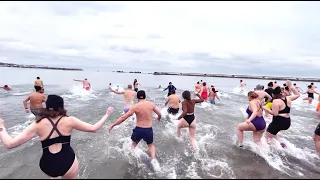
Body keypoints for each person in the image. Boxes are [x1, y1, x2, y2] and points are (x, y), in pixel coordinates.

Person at [0, 95, 114, 178]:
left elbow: (10, 144)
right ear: (61, 107)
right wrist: (106, 114)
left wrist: (1, 128)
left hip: (47, 165)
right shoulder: (70, 121)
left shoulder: (37, 124)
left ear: (47, 106)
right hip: (68, 162)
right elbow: (94, 128)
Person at [108, 90, 161, 162]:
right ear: (144, 96)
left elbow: (124, 117)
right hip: (148, 129)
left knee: (133, 144)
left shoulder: (135, 107)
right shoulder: (151, 104)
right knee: (150, 145)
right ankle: (153, 160)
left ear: (137, 97)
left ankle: (131, 159)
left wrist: (113, 125)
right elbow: (159, 113)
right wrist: (159, 117)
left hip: (139, 130)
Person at [263, 80, 300, 147]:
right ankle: (281, 143)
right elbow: (297, 94)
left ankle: (268, 150)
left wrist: (265, 108)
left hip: (279, 121)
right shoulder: (288, 98)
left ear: (274, 94)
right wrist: (290, 86)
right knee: (274, 133)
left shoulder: (276, 101)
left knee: (268, 136)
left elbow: (275, 114)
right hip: (287, 122)